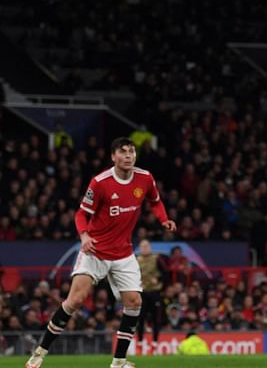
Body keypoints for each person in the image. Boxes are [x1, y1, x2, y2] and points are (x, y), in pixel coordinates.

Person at [26, 137, 176, 368]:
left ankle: (118, 362)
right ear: (113, 156)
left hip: (124, 253)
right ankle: (39, 353)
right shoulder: (100, 182)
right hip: (95, 252)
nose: (128, 156)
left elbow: (155, 201)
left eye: (132, 152)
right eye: (123, 152)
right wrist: (84, 236)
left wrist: (164, 219)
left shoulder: (145, 178)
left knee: (134, 302)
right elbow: (80, 215)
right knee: (74, 301)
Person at [136, 239, 167, 342]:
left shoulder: (156, 258)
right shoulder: (136, 259)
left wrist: (158, 279)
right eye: (142, 247)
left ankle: (155, 342)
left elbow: (166, 273)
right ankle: (140, 341)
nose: (144, 249)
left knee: (156, 319)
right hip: (142, 292)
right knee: (140, 318)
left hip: (155, 292)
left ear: (150, 247)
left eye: (146, 246)